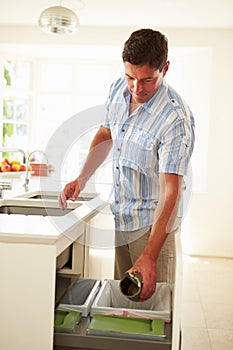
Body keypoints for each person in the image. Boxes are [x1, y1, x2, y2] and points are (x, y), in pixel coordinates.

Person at [59, 28, 195, 301]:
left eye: (147, 79)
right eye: (130, 77)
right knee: (123, 303)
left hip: (153, 229)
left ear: (164, 69)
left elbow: (171, 192)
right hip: (122, 217)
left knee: (155, 309)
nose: (136, 88)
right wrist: (82, 177)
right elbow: (106, 134)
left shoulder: (175, 119)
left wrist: (149, 256)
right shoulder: (118, 90)